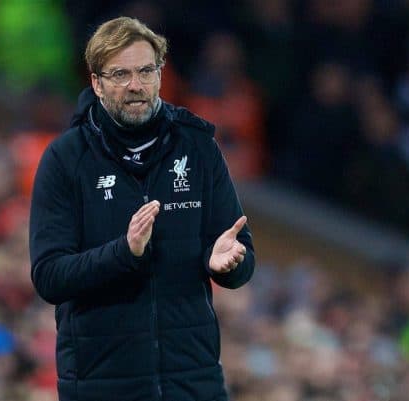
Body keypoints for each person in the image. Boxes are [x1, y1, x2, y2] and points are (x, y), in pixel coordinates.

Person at [29, 17, 255, 401]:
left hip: (194, 383)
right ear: (97, 83)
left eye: (146, 71)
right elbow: (49, 276)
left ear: (161, 74)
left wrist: (228, 263)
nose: (136, 85)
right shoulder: (65, 159)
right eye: (120, 74)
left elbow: (241, 254)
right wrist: (124, 252)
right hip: (101, 386)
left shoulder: (198, 147)